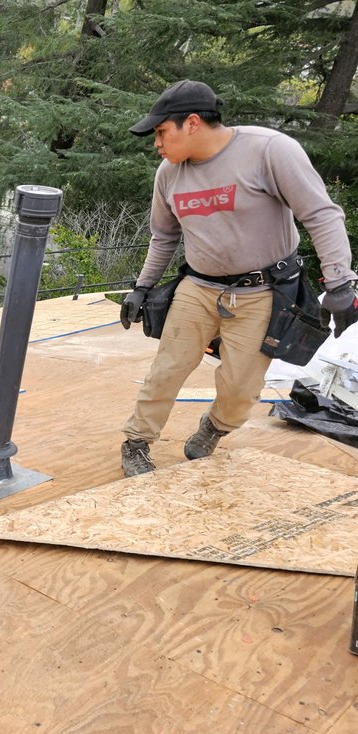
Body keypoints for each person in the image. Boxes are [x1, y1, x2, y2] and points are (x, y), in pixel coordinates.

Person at [118, 80, 358, 477]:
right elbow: (165, 236)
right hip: (198, 288)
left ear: (192, 123)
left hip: (262, 293)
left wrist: (339, 284)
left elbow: (322, 214)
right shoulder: (169, 174)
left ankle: (215, 426)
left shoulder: (268, 151)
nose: (157, 143)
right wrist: (142, 287)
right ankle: (137, 441)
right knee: (167, 370)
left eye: (161, 132)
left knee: (241, 388)